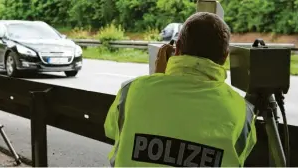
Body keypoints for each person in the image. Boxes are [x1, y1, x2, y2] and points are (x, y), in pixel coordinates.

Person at [104, 12, 257, 167]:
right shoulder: (242, 111)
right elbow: (239, 156)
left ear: (177, 49)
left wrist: (157, 77)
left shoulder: (131, 91)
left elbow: (111, 130)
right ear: (225, 57)